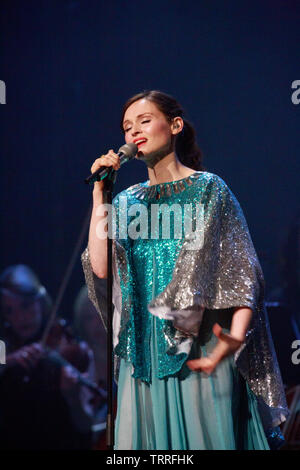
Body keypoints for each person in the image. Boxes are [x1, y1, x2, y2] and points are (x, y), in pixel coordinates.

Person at [81, 90, 289, 450]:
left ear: (175, 125)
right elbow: (101, 268)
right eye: (128, 127)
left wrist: (235, 337)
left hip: (201, 347)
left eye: (144, 121)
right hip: (142, 354)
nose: (134, 132)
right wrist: (101, 194)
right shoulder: (127, 200)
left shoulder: (209, 189)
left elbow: (242, 273)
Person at [0, 264, 95, 449]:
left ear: (41, 302)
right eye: (9, 311)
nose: (19, 317)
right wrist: (9, 361)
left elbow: (85, 424)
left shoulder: (67, 343)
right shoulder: (4, 345)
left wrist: (73, 395)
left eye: (25, 306)